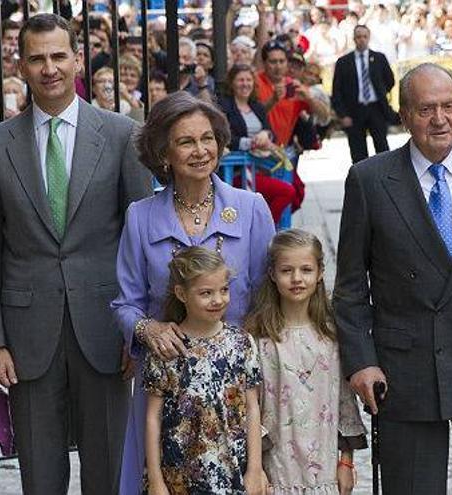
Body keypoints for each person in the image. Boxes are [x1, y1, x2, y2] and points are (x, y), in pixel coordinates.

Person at [0, 13, 151, 494]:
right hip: (27, 337)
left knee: (109, 470)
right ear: (21, 66)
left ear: (76, 60)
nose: (49, 68)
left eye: (57, 56)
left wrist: (139, 331)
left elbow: (140, 239)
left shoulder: (120, 135)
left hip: (106, 330)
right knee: (41, 477)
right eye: (37, 59)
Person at [333, 63, 452, 495]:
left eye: (449, 106)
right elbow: (350, 286)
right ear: (403, 116)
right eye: (426, 109)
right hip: (406, 370)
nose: (440, 119)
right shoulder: (370, 179)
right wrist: (361, 360)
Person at [112, 91, 276, 495]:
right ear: (163, 153)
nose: (200, 151)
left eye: (208, 139)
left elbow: (268, 304)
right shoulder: (140, 216)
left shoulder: (251, 209)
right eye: (186, 141)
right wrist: (148, 329)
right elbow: (124, 303)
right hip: (166, 395)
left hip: (236, 393)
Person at [245, 229, 367, 494]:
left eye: (306, 269)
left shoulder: (332, 335)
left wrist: (346, 462)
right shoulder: (259, 338)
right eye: (287, 270)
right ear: (272, 274)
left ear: (320, 272)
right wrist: (255, 468)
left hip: (322, 471)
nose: (297, 278)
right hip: (275, 470)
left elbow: (345, 403)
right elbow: (250, 408)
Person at [144, 247, 267, 494]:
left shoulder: (241, 343)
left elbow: (253, 408)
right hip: (180, 477)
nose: (218, 300)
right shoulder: (168, 349)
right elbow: (153, 418)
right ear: (181, 293)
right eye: (206, 293)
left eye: (224, 290)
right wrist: (156, 480)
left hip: (232, 473)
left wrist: (255, 469)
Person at [219, 63, 297, 223]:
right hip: (237, 172)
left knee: (292, 190)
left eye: (248, 80)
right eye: (240, 80)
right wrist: (251, 143)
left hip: (262, 167)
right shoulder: (223, 106)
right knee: (286, 191)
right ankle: (265, 230)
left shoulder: (256, 106)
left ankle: (262, 227)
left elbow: (271, 134)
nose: (245, 84)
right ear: (232, 82)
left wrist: (265, 134)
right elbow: (224, 137)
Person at [331, 25, 395, 164]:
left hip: (376, 108)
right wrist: (343, 114)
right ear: (354, 39)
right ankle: (362, 182)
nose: (362, 40)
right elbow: (337, 91)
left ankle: (386, 180)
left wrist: (381, 93)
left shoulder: (379, 58)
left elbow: (389, 80)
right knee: (358, 151)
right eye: (358, 37)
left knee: (382, 148)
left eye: (364, 36)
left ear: (369, 37)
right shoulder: (344, 62)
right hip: (354, 111)